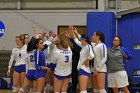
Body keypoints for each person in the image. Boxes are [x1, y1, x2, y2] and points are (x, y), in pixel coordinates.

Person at [69, 26, 94, 93]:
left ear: (84, 40)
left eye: (81, 39)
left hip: (84, 70)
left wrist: (86, 61)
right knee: (82, 90)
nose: (80, 40)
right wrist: (73, 32)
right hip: (81, 69)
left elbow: (92, 55)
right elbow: (76, 40)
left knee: (83, 90)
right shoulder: (84, 46)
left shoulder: (88, 46)